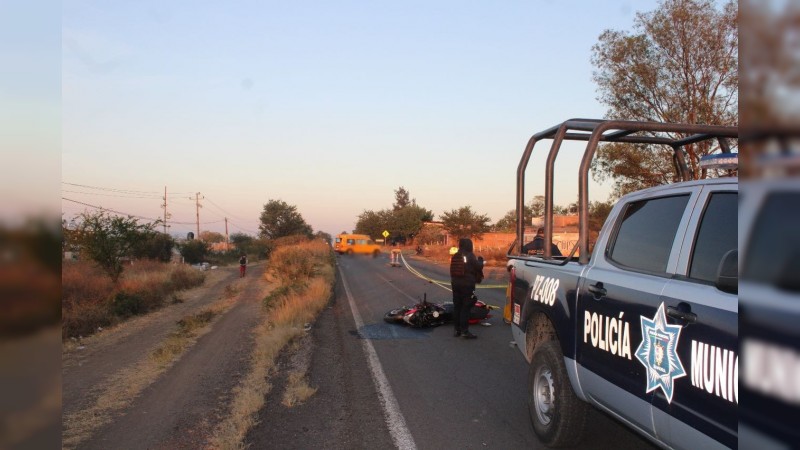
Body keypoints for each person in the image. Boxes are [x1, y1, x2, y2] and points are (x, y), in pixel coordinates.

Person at [450, 237, 484, 339]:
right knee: (466, 307)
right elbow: (478, 267)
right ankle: (465, 331)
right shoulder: (470, 255)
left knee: (457, 307)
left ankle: (457, 330)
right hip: (467, 285)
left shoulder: (456, 255)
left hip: (455, 284)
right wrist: (481, 260)